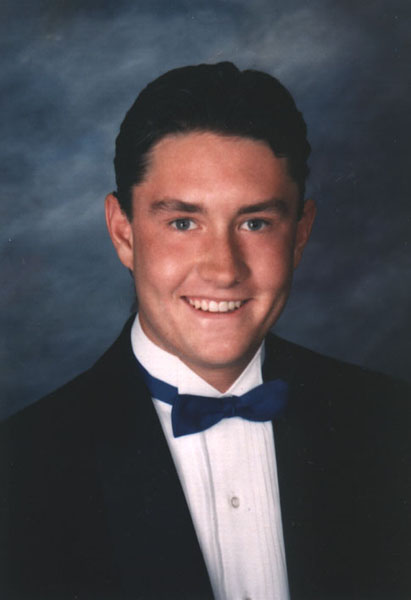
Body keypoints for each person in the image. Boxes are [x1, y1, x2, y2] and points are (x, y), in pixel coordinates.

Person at [1, 62, 409, 600]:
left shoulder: (393, 426)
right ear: (123, 233)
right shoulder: (20, 471)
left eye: (255, 223)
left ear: (299, 234)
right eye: (183, 223)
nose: (223, 269)